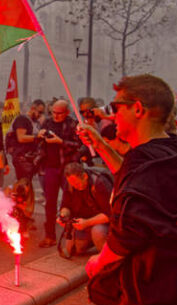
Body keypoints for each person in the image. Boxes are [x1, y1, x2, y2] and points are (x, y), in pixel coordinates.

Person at [77, 74, 177, 305]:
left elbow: (127, 235)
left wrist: (97, 263)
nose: (112, 116)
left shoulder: (145, 166)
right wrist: (100, 144)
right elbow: (134, 178)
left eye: (116, 107)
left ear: (137, 108)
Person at [37, 99, 80, 248]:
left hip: (67, 168)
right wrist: (41, 135)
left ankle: (73, 236)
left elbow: (79, 146)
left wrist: (60, 142)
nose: (56, 116)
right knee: (50, 203)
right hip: (50, 167)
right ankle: (50, 236)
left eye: (59, 114)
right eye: (53, 113)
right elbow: (39, 143)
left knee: (71, 201)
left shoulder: (72, 124)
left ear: (66, 112)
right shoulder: (47, 123)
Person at [59, 162, 112, 256]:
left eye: (77, 183)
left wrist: (87, 222)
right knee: (73, 250)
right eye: (72, 184)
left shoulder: (99, 183)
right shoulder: (70, 185)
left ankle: (107, 256)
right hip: (84, 221)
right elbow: (65, 206)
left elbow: (109, 214)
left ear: (85, 176)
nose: (75, 187)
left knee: (97, 232)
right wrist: (63, 215)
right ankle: (93, 241)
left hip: (103, 222)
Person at [6, 99, 46, 182]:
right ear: (32, 108)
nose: (40, 115)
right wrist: (37, 137)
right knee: (23, 183)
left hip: (30, 157)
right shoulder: (22, 119)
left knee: (28, 184)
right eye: (39, 112)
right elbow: (21, 138)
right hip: (22, 157)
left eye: (42, 113)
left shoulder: (35, 122)